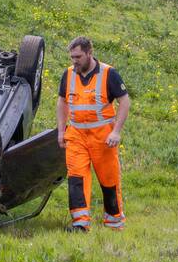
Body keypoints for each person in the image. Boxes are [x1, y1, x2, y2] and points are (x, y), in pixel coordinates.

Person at [56, 36, 131, 232]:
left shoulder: (109, 74)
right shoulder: (68, 74)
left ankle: (114, 222)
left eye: (78, 56)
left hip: (103, 137)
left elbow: (125, 101)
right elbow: (62, 102)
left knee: (109, 180)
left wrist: (116, 132)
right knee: (76, 178)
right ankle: (80, 224)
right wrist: (60, 130)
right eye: (72, 57)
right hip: (76, 135)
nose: (74, 61)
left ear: (90, 53)